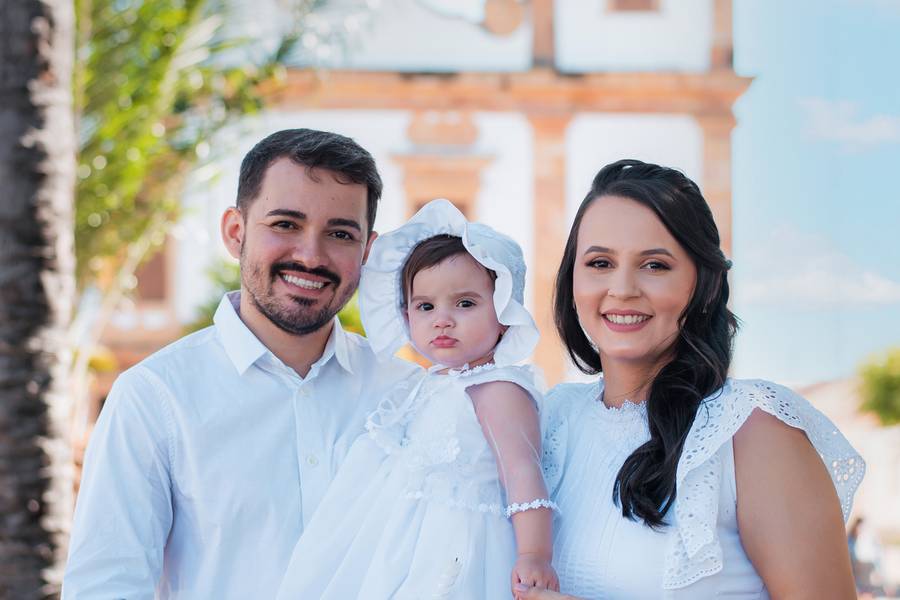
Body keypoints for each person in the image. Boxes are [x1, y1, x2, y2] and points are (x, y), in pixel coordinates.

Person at [62, 129, 420, 598]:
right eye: (285, 224)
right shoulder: (154, 397)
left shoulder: (409, 393)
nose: (311, 256)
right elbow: (105, 587)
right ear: (236, 232)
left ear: (367, 251)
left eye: (339, 233)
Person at [515, 160, 865, 600]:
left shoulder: (751, 430)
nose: (622, 289)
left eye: (655, 265)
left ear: (705, 285)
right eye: (600, 262)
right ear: (572, 281)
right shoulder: (548, 420)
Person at [276, 199, 559, 600]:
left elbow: (522, 473)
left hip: (456, 544)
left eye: (465, 303)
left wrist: (534, 554)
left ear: (502, 311)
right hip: (401, 545)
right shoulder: (427, 384)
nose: (442, 319)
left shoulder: (497, 389)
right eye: (425, 306)